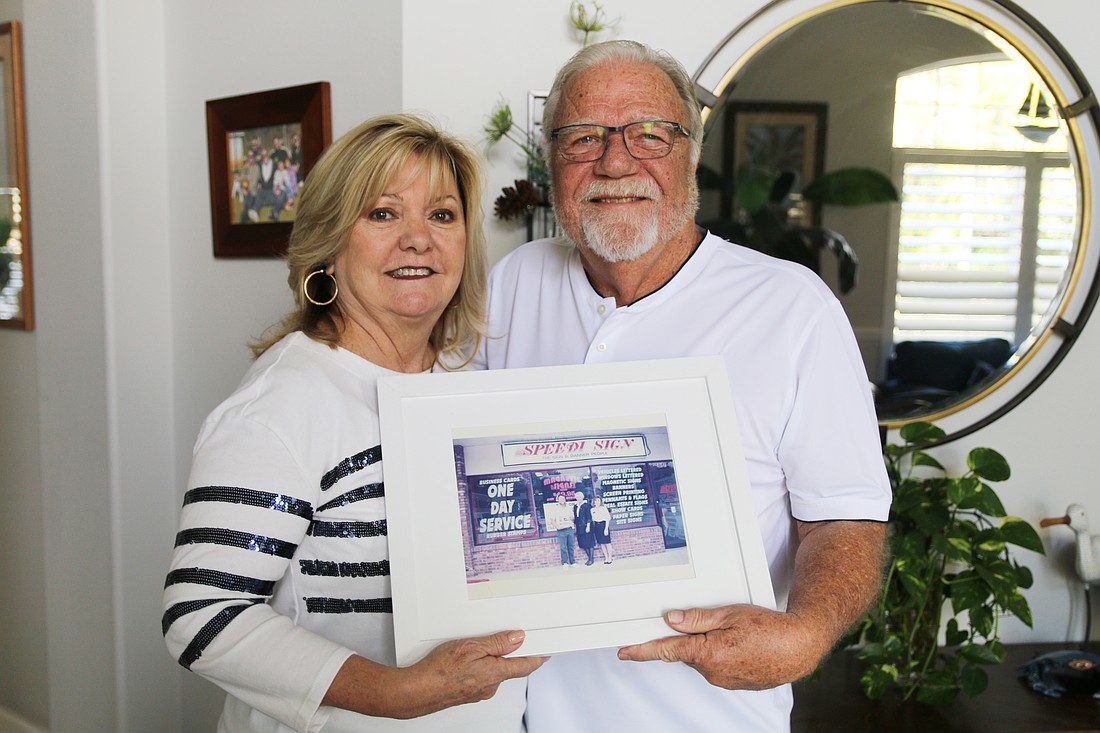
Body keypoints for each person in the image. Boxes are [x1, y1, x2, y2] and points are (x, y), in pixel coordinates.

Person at [475, 39, 891, 732]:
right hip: (525, 716)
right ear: (552, 164)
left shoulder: (793, 308)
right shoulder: (514, 283)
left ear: (690, 152)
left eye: (649, 134)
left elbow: (844, 518)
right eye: (584, 138)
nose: (615, 162)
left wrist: (808, 634)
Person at [162, 113, 545, 733]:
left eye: (442, 215)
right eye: (383, 213)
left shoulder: (468, 383)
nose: (418, 238)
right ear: (329, 245)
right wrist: (398, 693)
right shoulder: (281, 406)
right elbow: (203, 615)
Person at [549, 492, 577, 568]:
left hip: (569, 529)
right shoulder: (555, 509)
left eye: (563, 499)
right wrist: (557, 526)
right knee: (563, 547)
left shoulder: (568, 508)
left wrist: (571, 517)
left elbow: (573, 518)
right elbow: (552, 520)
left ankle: (572, 562)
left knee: (571, 546)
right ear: (558, 500)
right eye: (560, 499)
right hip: (561, 530)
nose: (562, 500)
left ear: (565, 500)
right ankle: (564, 563)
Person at [572, 489, 596, 566]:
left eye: (580, 497)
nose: (579, 498)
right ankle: (589, 558)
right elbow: (576, 518)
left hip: (586, 526)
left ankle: (591, 559)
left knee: (589, 542)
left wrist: (588, 526)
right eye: (577, 497)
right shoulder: (575, 506)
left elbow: (589, 516)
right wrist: (575, 527)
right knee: (583, 543)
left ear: (582, 497)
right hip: (579, 527)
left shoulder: (586, 505)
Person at [590, 495, 612, 564]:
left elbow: (607, 518)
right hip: (597, 526)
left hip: (603, 525)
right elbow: (593, 519)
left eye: (598, 500)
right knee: (602, 543)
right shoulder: (592, 510)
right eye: (596, 500)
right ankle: (606, 558)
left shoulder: (603, 508)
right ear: (594, 502)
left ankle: (610, 558)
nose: (597, 502)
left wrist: (606, 529)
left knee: (607, 543)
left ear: (601, 502)